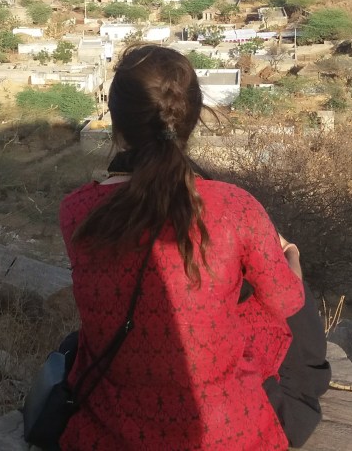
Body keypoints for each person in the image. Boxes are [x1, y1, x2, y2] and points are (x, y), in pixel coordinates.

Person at [58, 44, 329, 451]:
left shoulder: (77, 211)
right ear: (193, 116)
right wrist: (290, 255)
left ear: (116, 123)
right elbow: (285, 302)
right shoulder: (235, 207)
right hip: (226, 433)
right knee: (280, 295)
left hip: (112, 431)